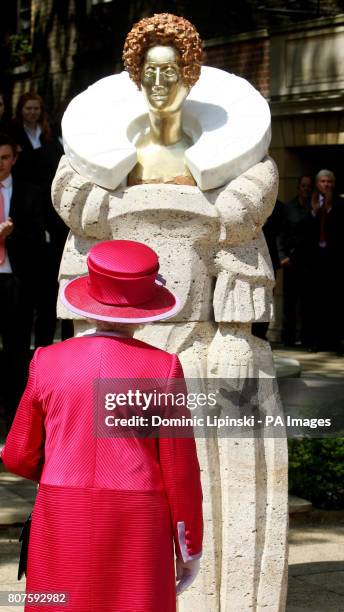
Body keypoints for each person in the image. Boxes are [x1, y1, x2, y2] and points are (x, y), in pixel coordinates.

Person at [1, 239, 203, 612]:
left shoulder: (46, 360)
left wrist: (63, 465)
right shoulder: (164, 368)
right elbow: (180, 470)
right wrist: (188, 546)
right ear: (145, 307)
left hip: (62, 508)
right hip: (137, 516)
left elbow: (16, 455)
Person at [11, 92, 69, 346]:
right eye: (28, 108)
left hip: (49, 205)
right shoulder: (14, 136)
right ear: (21, 110)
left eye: (36, 108)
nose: (32, 112)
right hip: (25, 204)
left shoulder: (48, 135)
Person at [0, 132, 45, 430]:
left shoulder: (30, 193)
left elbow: (39, 242)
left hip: (16, 281)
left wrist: (10, 236)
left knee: (16, 353)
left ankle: (15, 420)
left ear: (14, 158)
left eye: (4, 158)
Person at [308, 169, 343, 352]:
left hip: (334, 259)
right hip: (315, 259)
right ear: (317, 183)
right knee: (315, 301)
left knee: (334, 301)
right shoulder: (309, 202)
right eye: (323, 181)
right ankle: (315, 341)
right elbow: (302, 230)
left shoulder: (340, 203)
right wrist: (314, 212)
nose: (326, 185)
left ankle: (334, 341)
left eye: (329, 181)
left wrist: (329, 209)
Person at [277, 175, 313, 347]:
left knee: (307, 302)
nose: (306, 189)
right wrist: (282, 255)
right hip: (291, 260)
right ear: (298, 187)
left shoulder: (314, 207)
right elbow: (280, 233)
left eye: (309, 186)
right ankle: (288, 338)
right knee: (290, 301)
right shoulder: (288, 207)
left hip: (309, 261)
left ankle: (306, 338)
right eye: (303, 186)